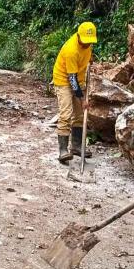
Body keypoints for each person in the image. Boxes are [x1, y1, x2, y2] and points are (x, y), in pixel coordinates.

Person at [52, 22, 97, 164]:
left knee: (79, 114)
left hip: (78, 78)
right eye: (85, 41)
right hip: (64, 80)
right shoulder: (71, 50)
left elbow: (84, 58)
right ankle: (63, 151)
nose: (87, 44)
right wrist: (82, 99)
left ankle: (76, 146)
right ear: (78, 36)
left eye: (89, 42)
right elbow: (71, 79)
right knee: (66, 114)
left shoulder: (88, 44)